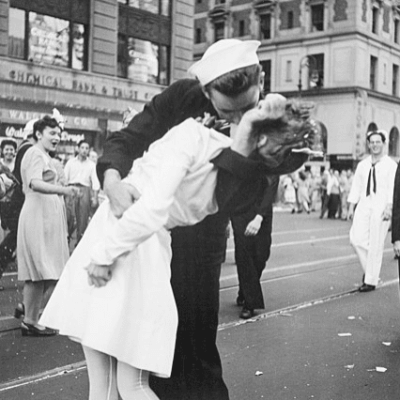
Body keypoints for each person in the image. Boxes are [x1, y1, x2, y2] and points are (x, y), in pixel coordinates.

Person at [40, 96, 316, 400]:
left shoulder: (196, 137)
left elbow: (152, 206)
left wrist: (105, 253)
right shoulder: (236, 177)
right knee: (127, 385)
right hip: (148, 251)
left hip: (125, 239)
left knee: (110, 386)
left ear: (259, 133)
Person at [96, 39, 309, 400]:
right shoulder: (182, 97)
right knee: (140, 346)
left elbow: (256, 189)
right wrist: (112, 177)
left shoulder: (270, 118)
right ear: (206, 90)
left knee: (195, 344)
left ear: (261, 78)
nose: (237, 119)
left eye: (246, 107)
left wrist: (259, 143)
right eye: (228, 111)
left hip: (202, 239)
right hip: (149, 236)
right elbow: (129, 137)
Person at [17, 116, 80, 336]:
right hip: (38, 215)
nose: (57, 137)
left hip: (44, 216)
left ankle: (30, 315)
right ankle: (30, 319)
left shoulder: (43, 155)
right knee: (40, 269)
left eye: (58, 133)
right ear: (38, 134)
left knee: (45, 270)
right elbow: (34, 182)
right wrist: (63, 190)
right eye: (51, 133)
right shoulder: (34, 153)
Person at [348, 130, 397, 292]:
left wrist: (389, 207)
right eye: (372, 142)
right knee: (356, 239)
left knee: (376, 244)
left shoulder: (391, 165)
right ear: (368, 144)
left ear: (384, 144)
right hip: (364, 205)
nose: (375, 145)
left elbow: (393, 188)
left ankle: (370, 280)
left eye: (378, 142)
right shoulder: (363, 165)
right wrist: (350, 206)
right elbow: (356, 186)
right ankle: (370, 272)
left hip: (381, 207)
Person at [231, 174, 278, 319]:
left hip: (262, 210)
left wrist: (259, 217)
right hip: (240, 209)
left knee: (261, 254)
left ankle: (244, 290)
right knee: (244, 252)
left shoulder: (269, 158)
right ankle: (250, 303)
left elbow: (272, 185)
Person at [64, 140, 100, 244]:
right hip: (71, 189)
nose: (84, 150)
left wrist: (95, 198)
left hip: (85, 190)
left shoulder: (91, 165)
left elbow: (95, 182)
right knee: (69, 216)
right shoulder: (71, 162)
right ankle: (66, 239)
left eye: (86, 148)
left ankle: (79, 244)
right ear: (78, 149)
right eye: (82, 148)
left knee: (83, 218)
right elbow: (65, 178)